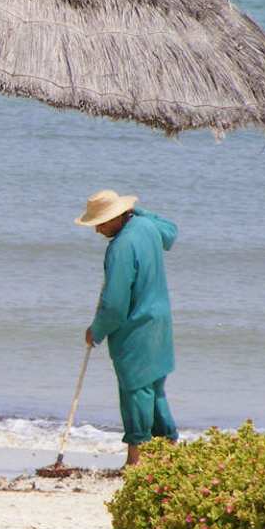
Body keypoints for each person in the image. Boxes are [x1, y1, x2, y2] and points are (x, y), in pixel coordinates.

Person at [76, 189, 178, 466]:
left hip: (136, 328)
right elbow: (170, 232)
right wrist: (139, 212)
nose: (97, 230)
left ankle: (136, 459)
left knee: (135, 391)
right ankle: (169, 453)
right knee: (154, 389)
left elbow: (114, 305)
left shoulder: (120, 247)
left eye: (101, 222)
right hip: (159, 322)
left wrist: (96, 330)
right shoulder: (146, 226)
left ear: (117, 217)